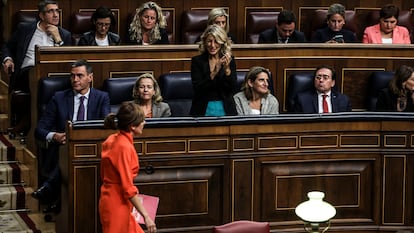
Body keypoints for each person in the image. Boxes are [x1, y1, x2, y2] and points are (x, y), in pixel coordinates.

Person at [32, 59, 110, 213]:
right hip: (63, 147)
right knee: (68, 154)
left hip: (92, 147)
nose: (75, 80)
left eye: (80, 76)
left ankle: (50, 191)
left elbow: (105, 127)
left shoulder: (102, 97)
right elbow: (39, 129)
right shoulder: (59, 98)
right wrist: (55, 136)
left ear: (90, 77)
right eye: (72, 76)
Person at [100, 102, 156, 233]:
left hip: (112, 199)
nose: (144, 123)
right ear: (132, 126)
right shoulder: (124, 147)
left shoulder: (112, 139)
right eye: (142, 120)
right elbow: (127, 187)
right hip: (117, 204)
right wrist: (146, 216)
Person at [2, 0, 71, 92]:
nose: (55, 15)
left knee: (50, 82)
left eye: (57, 11)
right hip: (27, 72)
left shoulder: (65, 35)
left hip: (52, 73)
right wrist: (8, 59)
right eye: (50, 11)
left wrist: (58, 39)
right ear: (41, 15)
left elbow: (66, 61)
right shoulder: (25, 29)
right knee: (43, 81)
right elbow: (6, 47)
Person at [190, 24, 237, 116]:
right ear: (204, 42)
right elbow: (198, 88)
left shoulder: (229, 60)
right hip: (203, 107)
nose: (212, 45)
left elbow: (232, 88)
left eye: (216, 41)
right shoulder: (197, 61)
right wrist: (214, 72)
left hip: (225, 107)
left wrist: (227, 70)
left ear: (222, 42)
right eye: (209, 41)